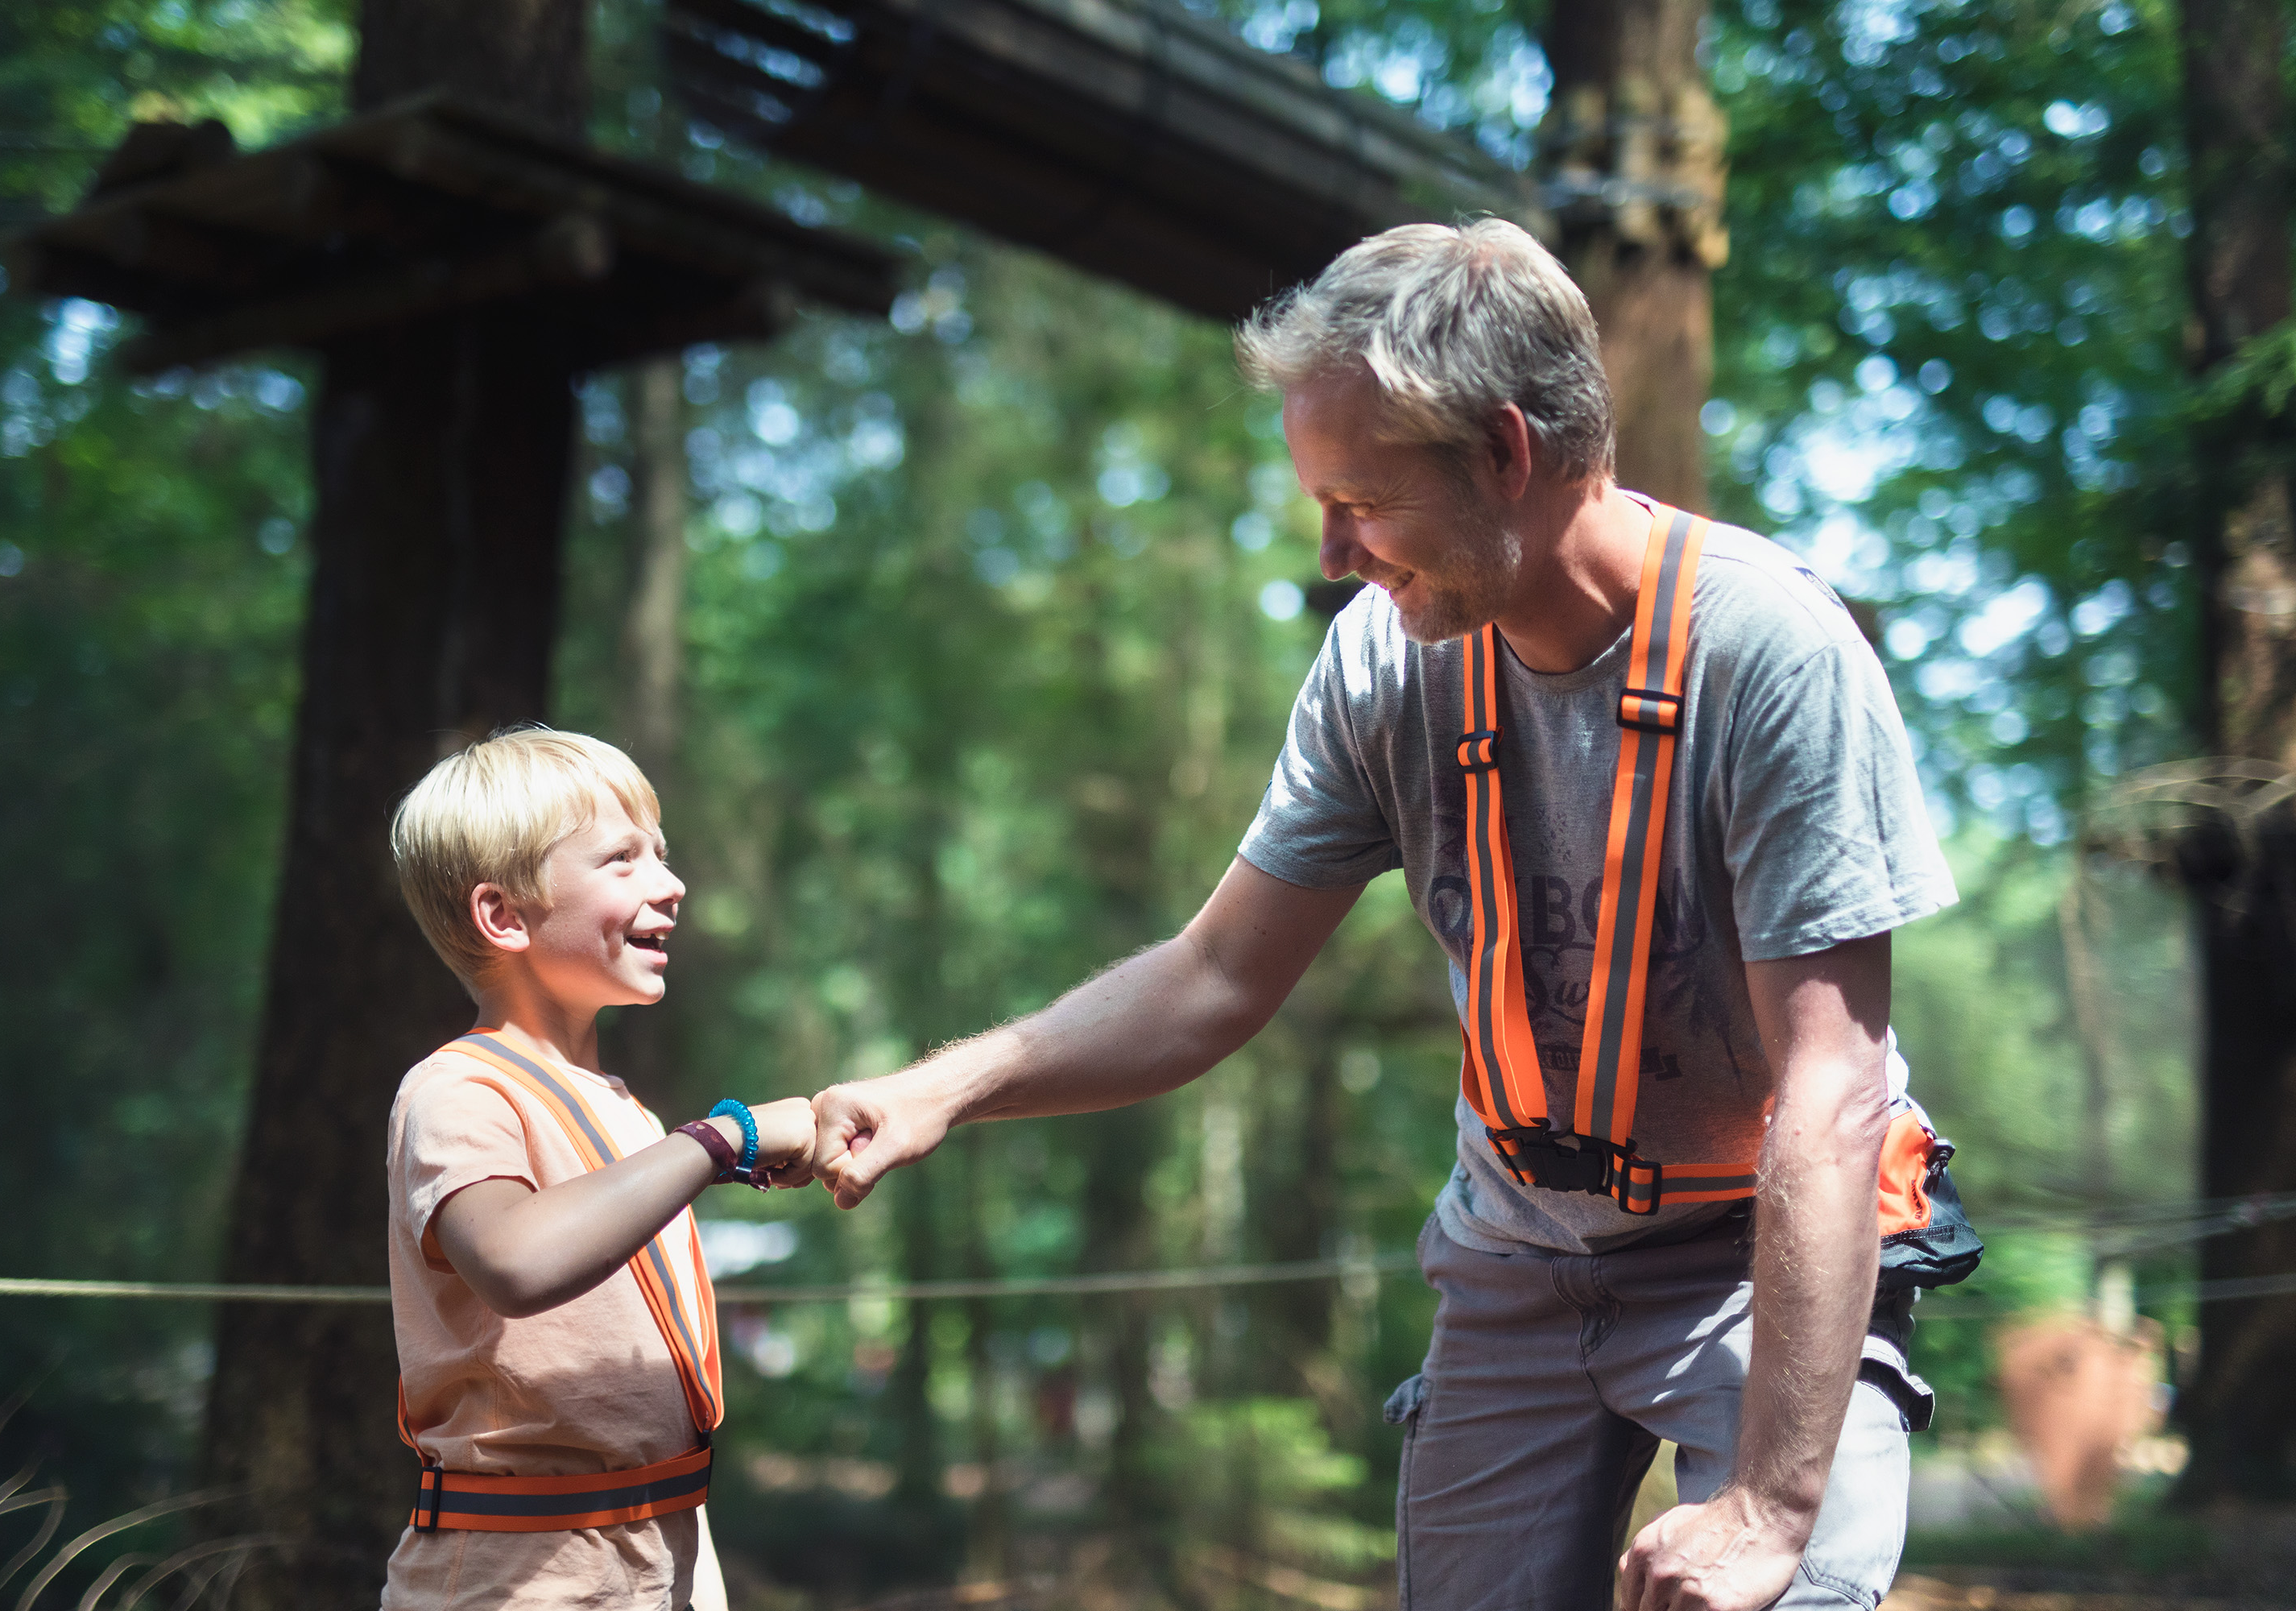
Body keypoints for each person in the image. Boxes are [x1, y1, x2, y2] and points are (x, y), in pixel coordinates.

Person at [811, 218, 1955, 1611]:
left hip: (1758, 1244)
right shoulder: (1385, 662)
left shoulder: (1770, 651)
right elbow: (1213, 977)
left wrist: (1773, 1509)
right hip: (1520, 1251)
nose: (1336, 550)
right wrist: (952, 1086)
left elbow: (1830, 1088)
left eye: (1360, 500)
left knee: (1789, 1592)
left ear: (1506, 453)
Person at [383, 727, 816, 1609]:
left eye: (662, 853)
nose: (672, 882)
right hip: (517, 1574)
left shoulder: (625, 1110)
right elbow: (517, 1258)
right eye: (623, 859)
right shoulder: (458, 1088)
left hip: (661, 1554)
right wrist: (718, 1140)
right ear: (504, 916)